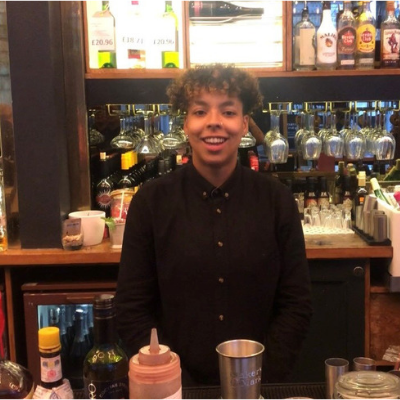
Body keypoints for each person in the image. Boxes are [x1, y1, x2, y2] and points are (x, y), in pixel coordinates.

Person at [115, 64, 313, 386]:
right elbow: (132, 309)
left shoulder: (277, 201)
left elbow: (296, 305)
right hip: (174, 388)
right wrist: (173, 380)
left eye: (228, 111)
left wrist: (256, 379)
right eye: (200, 111)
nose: (214, 123)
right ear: (186, 124)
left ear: (244, 123)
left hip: (258, 386)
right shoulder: (151, 202)